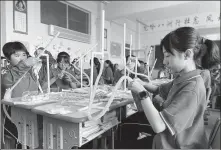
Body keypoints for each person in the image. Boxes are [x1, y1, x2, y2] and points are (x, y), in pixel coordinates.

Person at [128, 27, 220, 149]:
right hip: (169, 139)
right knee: (128, 125)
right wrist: (143, 84)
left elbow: (159, 125)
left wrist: (142, 92)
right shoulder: (184, 78)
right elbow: (158, 89)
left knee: (126, 135)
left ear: (187, 54)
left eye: (167, 55)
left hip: (176, 145)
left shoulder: (191, 89)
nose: (164, 61)